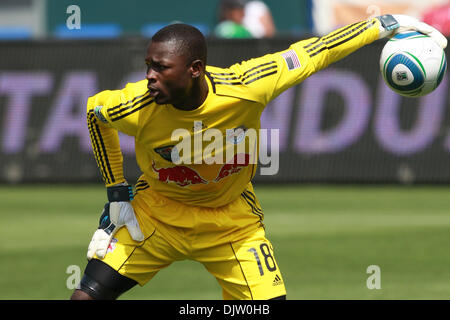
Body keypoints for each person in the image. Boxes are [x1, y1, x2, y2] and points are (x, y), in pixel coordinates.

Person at [71, 14, 446, 300]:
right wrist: (117, 192)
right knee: (85, 296)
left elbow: (314, 53)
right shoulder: (136, 105)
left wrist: (381, 25)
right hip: (155, 214)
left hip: (231, 222)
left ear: (195, 69)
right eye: (148, 66)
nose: (150, 76)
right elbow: (94, 112)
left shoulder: (247, 86)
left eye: (161, 68)